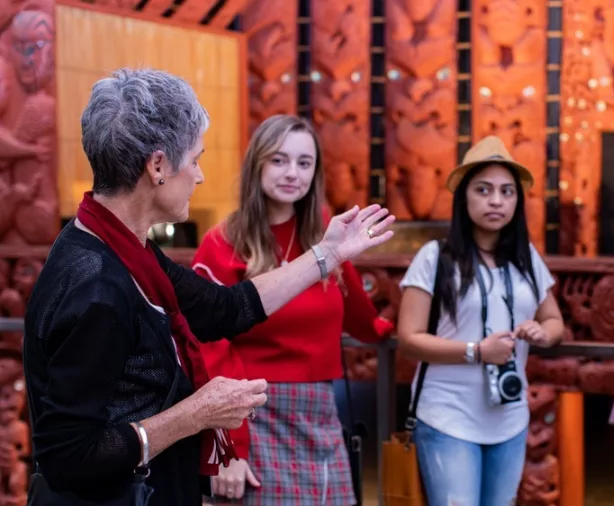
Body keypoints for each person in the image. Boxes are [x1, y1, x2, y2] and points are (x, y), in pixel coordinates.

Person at [22, 68, 395, 506]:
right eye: (195, 160)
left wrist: (325, 256)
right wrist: (193, 415)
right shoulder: (97, 287)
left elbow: (223, 309)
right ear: (158, 166)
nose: (199, 177)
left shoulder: (126, 249)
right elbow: (69, 455)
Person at [191, 114, 394, 505]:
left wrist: (390, 330)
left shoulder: (323, 236)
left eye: (304, 163)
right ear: (257, 164)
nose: (292, 173)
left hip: (320, 411)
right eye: (279, 160)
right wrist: (228, 449)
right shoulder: (222, 243)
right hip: (251, 411)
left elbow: (357, 312)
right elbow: (208, 349)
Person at [395, 136, 565, 505]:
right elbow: (408, 337)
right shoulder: (434, 257)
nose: (496, 201)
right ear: (464, 197)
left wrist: (541, 331)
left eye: (507, 192)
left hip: (510, 416)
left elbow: (554, 320)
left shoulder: (525, 258)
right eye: (484, 190)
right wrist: (476, 351)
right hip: (447, 416)